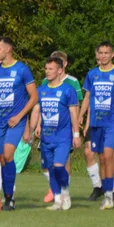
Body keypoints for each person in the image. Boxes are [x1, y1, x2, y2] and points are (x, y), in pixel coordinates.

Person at [81, 41, 114, 210]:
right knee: (102, 159)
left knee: (109, 155)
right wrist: (81, 116)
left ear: (113, 54)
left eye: (106, 53)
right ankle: (106, 193)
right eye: (100, 53)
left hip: (112, 123)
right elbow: (88, 97)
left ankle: (110, 195)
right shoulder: (92, 74)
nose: (103, 56)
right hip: (97, 122)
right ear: (97, 55)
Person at [0, 37, 38, 212]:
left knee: (8, 155)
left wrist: (19, 117)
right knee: (1, 158)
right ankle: (7, 195)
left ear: (8, 50)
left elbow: (34, 97)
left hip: (15, 122)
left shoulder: (22, 70)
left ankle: (9, 198)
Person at [29, 56, 81, 211]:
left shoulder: (68, 90)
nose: (47, 72)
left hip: (63, 137)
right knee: (50, 169)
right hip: (46, 137)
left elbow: (73, 113)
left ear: (59, 70)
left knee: (59, 166)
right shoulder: (41, 90)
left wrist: (76, 134)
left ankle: (65, 192)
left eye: (50, 69)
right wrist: (30, 131)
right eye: (46, 68)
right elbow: (36, 110)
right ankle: (57, 200)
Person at [42, 50, 83, 203]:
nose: (48, 70)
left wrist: (76, 128)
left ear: (63, 65)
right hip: (47, 131)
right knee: (49, 166)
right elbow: (40, 106)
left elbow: (75, 106)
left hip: (64, 131)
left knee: (62, 163)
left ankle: (64, 190)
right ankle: (55, 190)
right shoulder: (44, 84)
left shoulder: (71, 83)